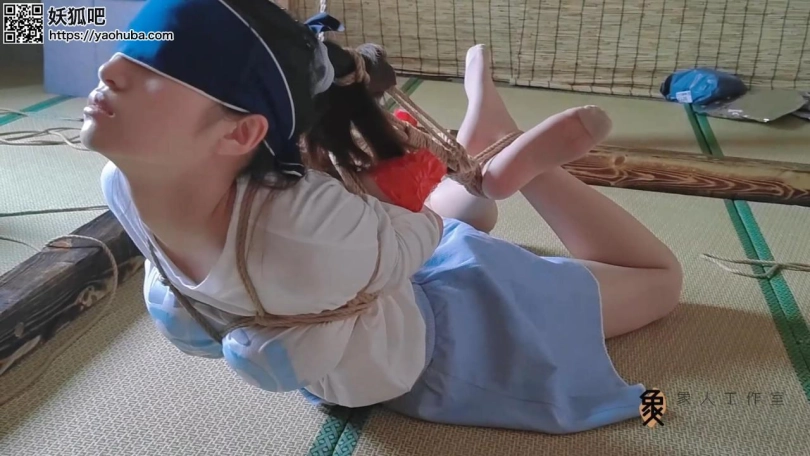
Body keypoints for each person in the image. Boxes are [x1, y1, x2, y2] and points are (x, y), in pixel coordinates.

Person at [83, 0, 682, 434]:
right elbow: (405, 236)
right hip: (427, 340)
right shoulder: (126, 187)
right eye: (123, 51)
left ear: (241, 134)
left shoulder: (299, 228)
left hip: (420, 316)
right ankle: (492, 160)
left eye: (156, 72)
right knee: (476, 220)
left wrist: (395, 201)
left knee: (657, 280)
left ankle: (510, 165)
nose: (110, 70)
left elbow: (409, 238)